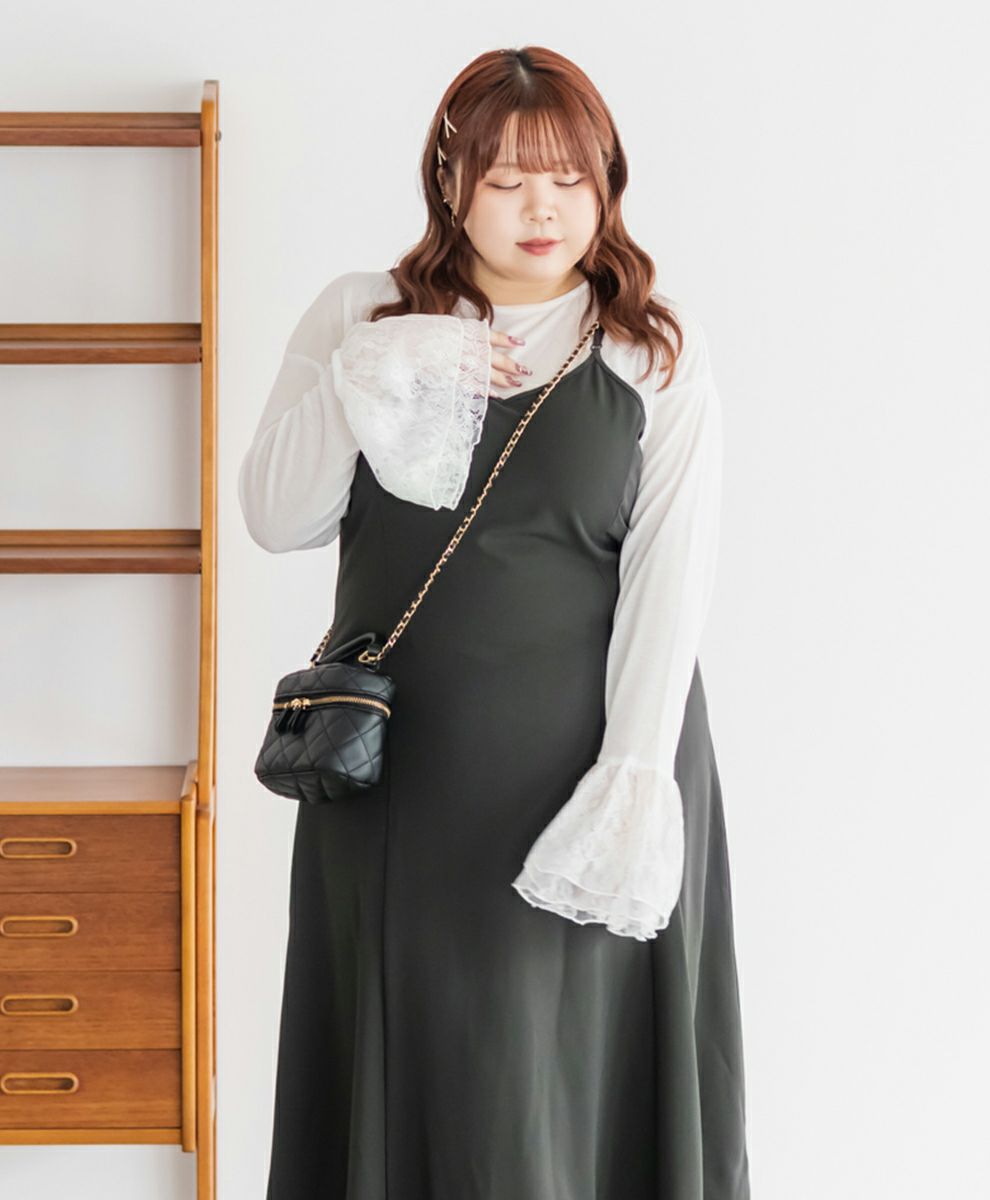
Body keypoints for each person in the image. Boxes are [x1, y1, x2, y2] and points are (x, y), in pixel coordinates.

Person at [239, 44, 751, 1200]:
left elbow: (670, 581)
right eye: (509, 179)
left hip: (591, 769)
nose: (541, 210)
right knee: (417, 1054)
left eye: (569, 179)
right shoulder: (361, 313)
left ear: (607, 184)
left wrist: (631, 782)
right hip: (399, 774)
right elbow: (276, 516)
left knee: (557, 1079)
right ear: (449, 179)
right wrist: (367, 371)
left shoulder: (649, 347)